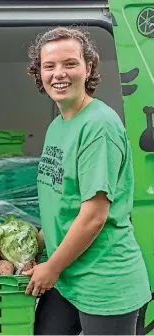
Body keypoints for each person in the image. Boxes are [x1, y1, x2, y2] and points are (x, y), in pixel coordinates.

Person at [24, 27, 151, 335]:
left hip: (104, 281)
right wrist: (32, 245)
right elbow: (62, 199)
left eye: (70, 63)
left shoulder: (99, 126)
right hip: (68, 275)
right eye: (49, 66)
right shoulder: (58, 125)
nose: (59, 74)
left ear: (89, 67)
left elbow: (94, 215)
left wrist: (51, 268)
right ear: (38, 73)